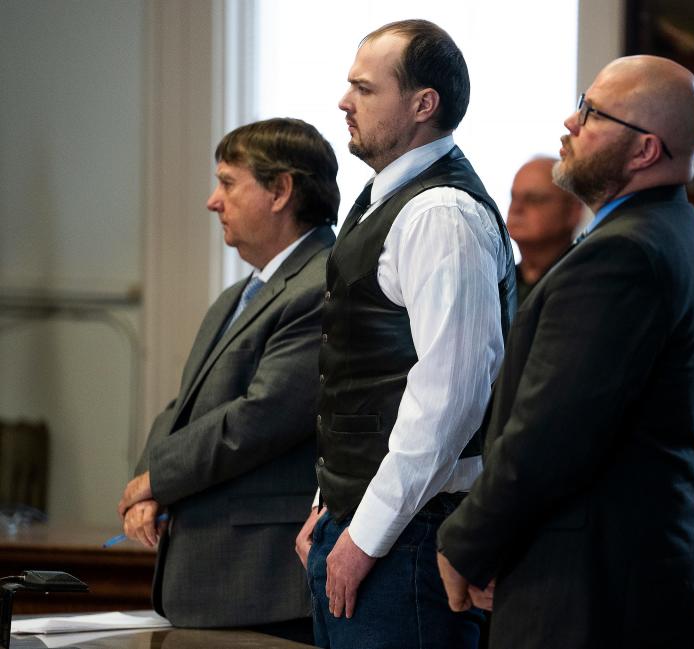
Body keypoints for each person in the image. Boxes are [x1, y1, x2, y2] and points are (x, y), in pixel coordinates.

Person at [435, 55, 694, 648]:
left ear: (645, 150)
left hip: (596, 597)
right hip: (614, 582)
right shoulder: (667, 231)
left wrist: (463, 544)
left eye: (592, 113)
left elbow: (548, 434)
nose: (570, 121)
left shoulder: (623, 257)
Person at [294, 19, 515, 649]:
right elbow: (360, 374)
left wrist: (362, 536)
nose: (344, 102)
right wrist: (328, 504)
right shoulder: (383, 199)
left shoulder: (440, 214)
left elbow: (447, 399)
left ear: (423, 104)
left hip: (413, 537)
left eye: (364, 89)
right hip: (367, 520)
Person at [117, 118, 339, 643]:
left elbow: (261, 416)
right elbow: (183, 406)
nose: (212, 201)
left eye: (228, 182)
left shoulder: (321, 283)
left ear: (281, 190)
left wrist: (157, 480)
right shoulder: (239, 294)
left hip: (262, 580)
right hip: (214, 577)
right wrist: (149, 487)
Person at [507, 157, 584, 303]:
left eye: (533, 199)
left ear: (573, 211)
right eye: (513, 197)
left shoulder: (586, 283)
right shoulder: (497, 284)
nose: (516, 208)